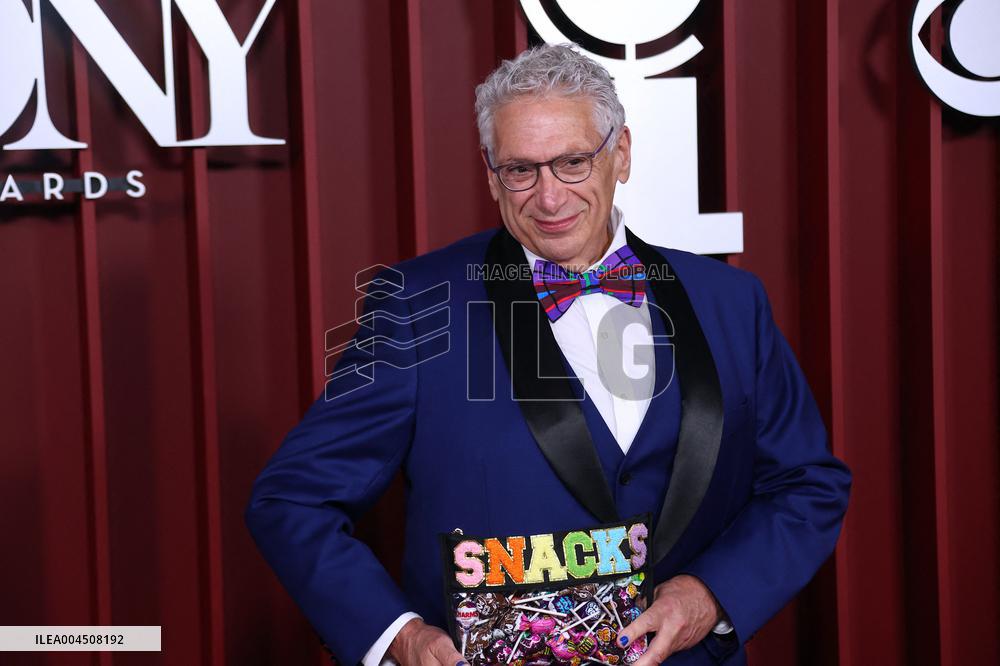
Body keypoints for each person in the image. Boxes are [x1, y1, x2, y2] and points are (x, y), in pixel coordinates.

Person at [246, 44, 851, 665]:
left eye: (572, 162)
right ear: (490, 174)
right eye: (520, 170)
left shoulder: (731, 301)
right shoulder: (413, 305)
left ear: (621, 154)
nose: (549, 198)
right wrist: (398, 636)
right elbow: (292, 498)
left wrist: (712, 596)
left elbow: (807, 484)